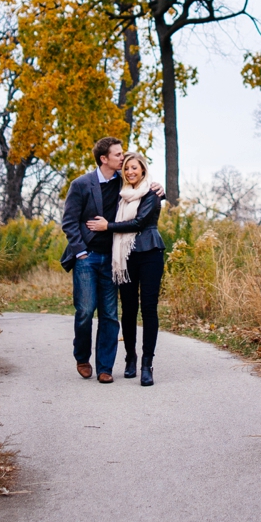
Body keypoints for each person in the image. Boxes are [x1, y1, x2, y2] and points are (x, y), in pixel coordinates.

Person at [60, 138, 162, 383]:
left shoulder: (123, 183)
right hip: (87, 256)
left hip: (114, 259)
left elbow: (142, 194)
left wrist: (159, 188)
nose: (123, 158)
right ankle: (82, 357)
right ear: (103, 158)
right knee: (85, 310)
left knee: (109, 314)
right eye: (118, 154)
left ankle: (105, 367)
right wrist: (80, 251)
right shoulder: (82, 184)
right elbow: (69, 222)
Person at [87, 153, 164, 387]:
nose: (130, 172)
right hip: (126, 258)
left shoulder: (151, 194)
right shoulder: (122, 196)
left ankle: (147, 365)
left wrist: (107, 226)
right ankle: (130, 358)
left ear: (143, 170)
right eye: (127, 168)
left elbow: (139, 222)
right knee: (129, 310)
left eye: (135, 168)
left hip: (150, 254)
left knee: (149, 309)